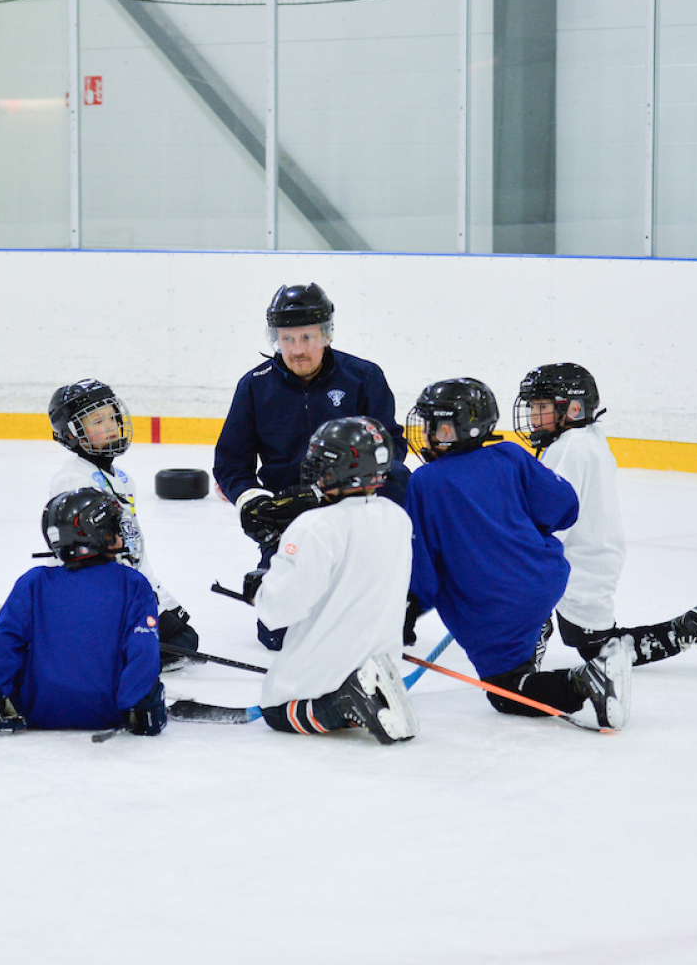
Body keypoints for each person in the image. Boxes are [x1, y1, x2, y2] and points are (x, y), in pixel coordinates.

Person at [403, 377, 633, 730]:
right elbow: (564, 508)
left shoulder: (424, 481)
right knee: (516, 648)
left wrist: (408, 610)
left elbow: (424, 569)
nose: (430, 434)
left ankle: (588, 680)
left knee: (505, 690)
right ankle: (540, 649)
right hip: (546, 578)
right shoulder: (510, 455)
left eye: (439, 426)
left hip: (495, 602)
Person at [512, 362, 697, 673]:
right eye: (532, 407)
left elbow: (555, 518)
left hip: (581, 565)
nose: (533, 416)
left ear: (574, 409)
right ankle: (694, 626)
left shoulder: (571, 449)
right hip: (592, 555)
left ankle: (520, 664)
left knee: (594, 645)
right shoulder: (587, 437)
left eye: (542, 406)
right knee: (595, 647)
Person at [213, 283, 410, 649]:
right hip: (291, 518)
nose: (298, 349)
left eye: (307, 337)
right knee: (280, 635)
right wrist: (252, 500)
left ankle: (391, 591)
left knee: (403, 480)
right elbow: (230, 464)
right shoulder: (255, 387)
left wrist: (337, 489)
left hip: (355, 510)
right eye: (287, 339)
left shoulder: (363, 377)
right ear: (275, 339)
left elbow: (392, 449)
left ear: (326, 334)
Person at [246, 416, 417, 745]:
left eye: (321, 460)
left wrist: (262, 590)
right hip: (381, 664)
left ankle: (345, 700)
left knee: (276, 711)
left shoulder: (315, 526)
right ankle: (364, 693)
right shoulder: (396, 516)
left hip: (317, 676)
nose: (312, 467)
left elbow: (280, 610)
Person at [0, 488, 166, 735]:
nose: (121, 534)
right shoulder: (133, 584)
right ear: (99, 535)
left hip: (37, 711)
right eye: (114, 527)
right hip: (110, 712)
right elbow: (142, 648)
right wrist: (139, 703)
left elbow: (3, 642)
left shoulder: (33, 582)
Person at [48, 378, 199, 671]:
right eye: (95, 421)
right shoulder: (73, 482)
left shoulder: (122, 479)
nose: (108, 425)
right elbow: (81, 561)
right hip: (96, 593)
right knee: (174, 645)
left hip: (127, 584)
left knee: (183, 639)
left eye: (110, 417)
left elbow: (132, 549)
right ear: (71, 434)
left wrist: (155, 594)